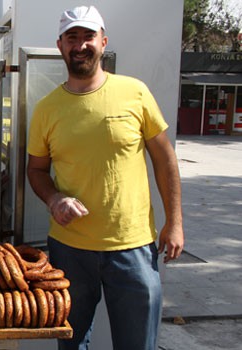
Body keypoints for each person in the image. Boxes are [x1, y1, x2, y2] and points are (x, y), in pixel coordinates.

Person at [26, 6, 184, 350]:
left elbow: (165, 159)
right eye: (72, 37)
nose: (80, 45)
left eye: (88, 37)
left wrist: (175, 222)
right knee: (71, 342)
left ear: (103, 42)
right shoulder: (47, 109)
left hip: (133, 248)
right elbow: (35, 170)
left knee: (138, 343)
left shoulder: (135, 93)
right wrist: (55, 200)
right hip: (69, 249)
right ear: (60, 45)